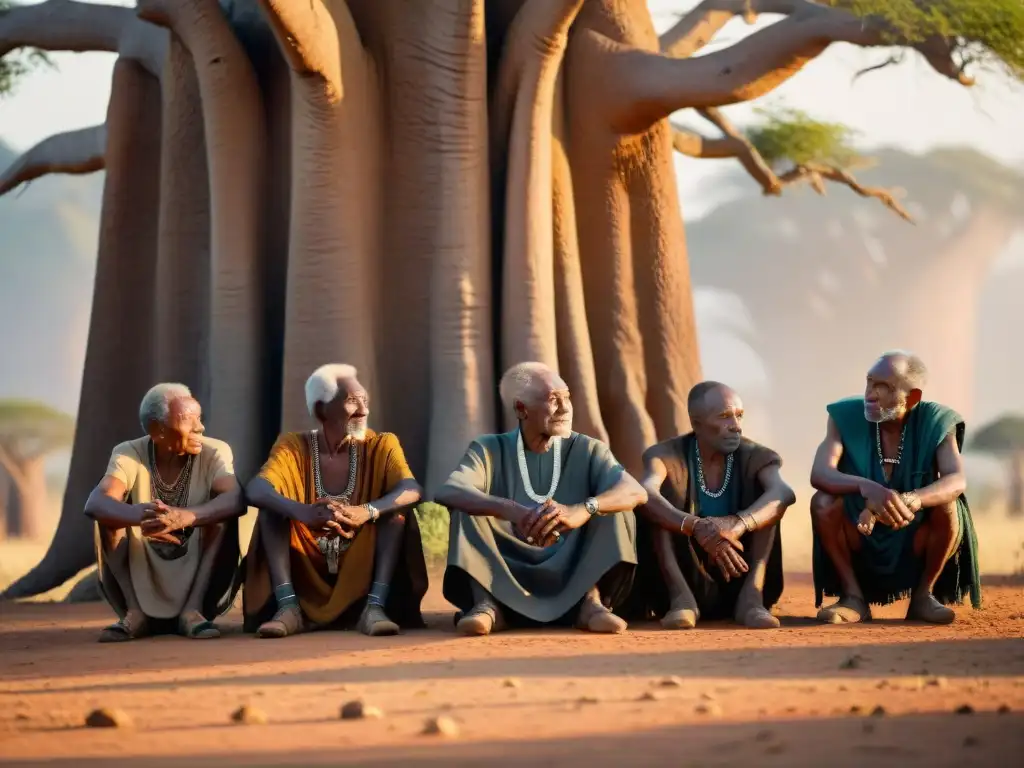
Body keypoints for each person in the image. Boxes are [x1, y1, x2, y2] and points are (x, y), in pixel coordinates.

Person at [436, 361, 647, 636]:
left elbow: (635, 491)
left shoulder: (588, 448)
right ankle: (487, 605)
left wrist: (583, 509)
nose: (565, 408)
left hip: (571, 560)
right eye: (553, 400)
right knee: (465, 508)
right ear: (521, 409)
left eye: (567, 397)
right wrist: (511, 510)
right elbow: (449, 491)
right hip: (506, 562)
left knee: (615, 508)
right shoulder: (489, 448)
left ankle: (590, 604)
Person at [242, 364, 429, 638]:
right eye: (353, 402)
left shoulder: (383, 444)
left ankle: (374, 608)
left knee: (396, 514)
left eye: (365, 400)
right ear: (321, 411)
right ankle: (288, 607)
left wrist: (368, 511)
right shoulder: (293, 445)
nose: (364, 411)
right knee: (272, 510)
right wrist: (303, 512)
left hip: (362, 557)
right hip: (306, 559)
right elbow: (257, 489)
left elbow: (411, 489)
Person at [810, 351, 981, 624]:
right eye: (869, 382)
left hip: (913, 533)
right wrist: (868, 488)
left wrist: (911, 500)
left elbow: (956, 479)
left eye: (883, 387)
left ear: (911, 398)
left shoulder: (937, 421)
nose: (870, 394)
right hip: (859, 532)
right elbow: (820, 473)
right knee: (823, 501)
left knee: (949, 505)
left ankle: (924, 597)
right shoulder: (845, 416)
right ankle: (853, 598)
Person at [627, 381, 795, 630]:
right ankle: (680, 600)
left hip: (740, 570)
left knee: (768, 503)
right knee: (656, 506)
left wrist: (736, 525)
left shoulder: (756, 455)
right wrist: (696, 527)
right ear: (696, 424)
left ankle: (751, 600)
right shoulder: (666, 454)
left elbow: (783, 492)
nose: (736, 426)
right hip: (685, 572)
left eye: (739, 416)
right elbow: (645, 491)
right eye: (725, 417)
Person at [84, 383, 244, 642]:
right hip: (142, 560)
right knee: (108, 519)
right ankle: (135, 612)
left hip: (197, 561)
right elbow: (95, 503)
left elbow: (236, 498)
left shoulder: (215, 451)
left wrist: (186, 517)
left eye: (199, 418)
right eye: (188, 420)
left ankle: (192, 611)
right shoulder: (129, 452)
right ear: (157, 431)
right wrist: (141, 516)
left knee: (221, 518)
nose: (199, 428)